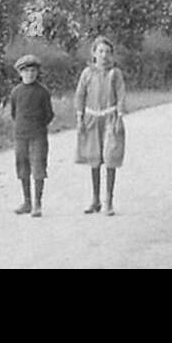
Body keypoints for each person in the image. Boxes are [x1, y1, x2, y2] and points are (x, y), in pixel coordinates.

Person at [75, 35, 127, 215]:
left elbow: (121, 95)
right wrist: (80, 118)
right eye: (100, 51)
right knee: (94, 158)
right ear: (94, 53)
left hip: (110, 118)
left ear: (112, 55)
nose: (104, 55)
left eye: (107, 52)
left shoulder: (115, 73)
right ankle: (95, 199)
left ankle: (109, 201)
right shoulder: (87, 73)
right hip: (91, 119)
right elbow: (80, 95)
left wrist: (119, 117)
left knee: (110, 156)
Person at [9, 54, 54, 218]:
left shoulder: (43, 92)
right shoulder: (15, 92)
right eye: (26, 71)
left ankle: (37, 203)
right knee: (22, 167)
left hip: (38, 136)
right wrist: (23, 127)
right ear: (20, 73)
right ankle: (27, 201)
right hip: (21, 135)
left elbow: (49, 114)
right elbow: (14, 113)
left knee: (38, 167)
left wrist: (39, 126)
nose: (30, 74)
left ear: (37, 73)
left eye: (33, 70)